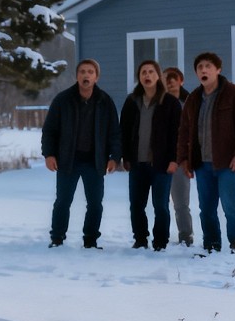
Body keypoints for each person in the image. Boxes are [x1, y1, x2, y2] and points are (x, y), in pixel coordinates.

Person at [176, 52, 235, 254]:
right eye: (200, 67)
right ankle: (211, 244)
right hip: (203, 163)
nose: (203, 70)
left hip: (229, 162)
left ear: (218, 70)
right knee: (207, 208)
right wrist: (184, 158)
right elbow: (184, 130)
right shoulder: (193, 99)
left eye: (208, 66)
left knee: (230, 205)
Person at [41, 58, 121, 249]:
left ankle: (91, 240)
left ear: (96, 76)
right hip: (68, 160)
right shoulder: (63, 100)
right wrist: (49, 154)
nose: (86, 75)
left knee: (95, 204)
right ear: (77, 76)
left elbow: (114, 133)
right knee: (63, 201)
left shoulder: (105, 101)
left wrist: (115, 157)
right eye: (82, 72)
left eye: (90, 72)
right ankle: (57, 238)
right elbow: (49, 130)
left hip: (95, 161)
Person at [119, 60, 182, 250]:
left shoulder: (170, 102)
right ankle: (140, 239)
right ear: (139, 77)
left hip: (161, 164)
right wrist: (126, 157)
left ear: (158, 76)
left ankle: (160, 241)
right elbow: (123, 131)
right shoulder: (132, 101)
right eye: (143, 72)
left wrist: (174, 159)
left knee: (160, 206)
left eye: (151, 72)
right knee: (136, 205)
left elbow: (177, 134)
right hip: (137, 164)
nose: (147, 75)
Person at [163, 67, 193, 245]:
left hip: (181, 159)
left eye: (173, 77)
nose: (169, 81)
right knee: (159, 202)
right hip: (160, 158)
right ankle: (161, 235)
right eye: (165, 78)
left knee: (181, 202)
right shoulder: (158, 103)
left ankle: (185, 234)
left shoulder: (190, 102)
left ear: (181, 80)